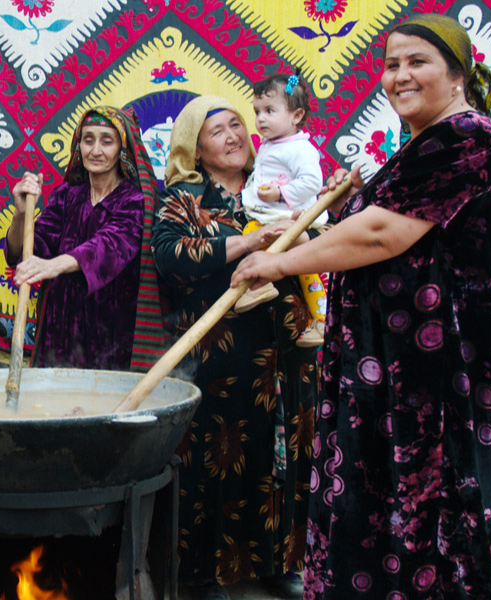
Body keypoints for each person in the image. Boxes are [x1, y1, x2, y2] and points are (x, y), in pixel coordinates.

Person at [232, 13, 491, 599]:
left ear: (458, 73)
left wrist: (279, 264)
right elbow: (370, 230)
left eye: (418, 62)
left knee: (429, 515)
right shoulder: (421, 145)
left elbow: (381, 235)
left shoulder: (466, 138)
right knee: (385, 509)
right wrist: (324, 216)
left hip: (437, 378)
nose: (400, 76)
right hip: (392, 369)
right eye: (392, 64)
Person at [152, 95, 317, 600]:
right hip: (222, 355)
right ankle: (203, 573)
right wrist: (246, 242)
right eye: (217, 130)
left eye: (238, 125)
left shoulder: (280, 186)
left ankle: (278, 562)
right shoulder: (184, 200)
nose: (234, 135)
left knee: (286, 452)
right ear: (195, 150)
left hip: (289, 345)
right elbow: (169, 256)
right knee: (217, 459)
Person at [5, 105, 160, 370]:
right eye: (88, 140)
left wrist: (52, 266)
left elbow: (109, 246)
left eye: (107, 141)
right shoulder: (67, 195)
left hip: (110, 331)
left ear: (122, 149)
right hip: (59, 327)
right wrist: (20, 215)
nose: (95, 150)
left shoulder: (135, 200)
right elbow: (25, 252)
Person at [236, 71, 327, 348]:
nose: (260, 118)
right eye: (257, 111)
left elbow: (313, 182)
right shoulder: (270, 144)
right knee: (262, 243)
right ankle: (263, 286)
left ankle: (322, 319)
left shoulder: (300, 149)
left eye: (269, 111)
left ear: (296, 116)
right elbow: (261, 175)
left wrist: (281, 193)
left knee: (305, 266)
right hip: (275, 216)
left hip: (295, 218)